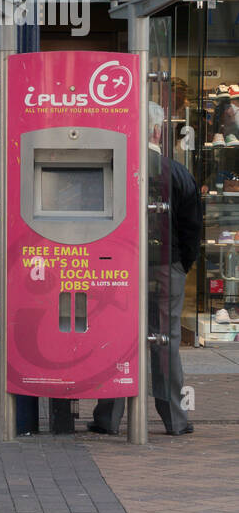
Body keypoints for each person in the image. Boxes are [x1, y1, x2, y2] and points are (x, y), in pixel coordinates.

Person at [91, 102, 202, 437]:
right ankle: (174, 418)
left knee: (117, 335)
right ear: (157, 131)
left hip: (119, 267)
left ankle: (109, 416)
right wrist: (182, 264)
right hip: (166, 266)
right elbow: (192, 226)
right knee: (164, 339)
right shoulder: (177, 172)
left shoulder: (116, 168)